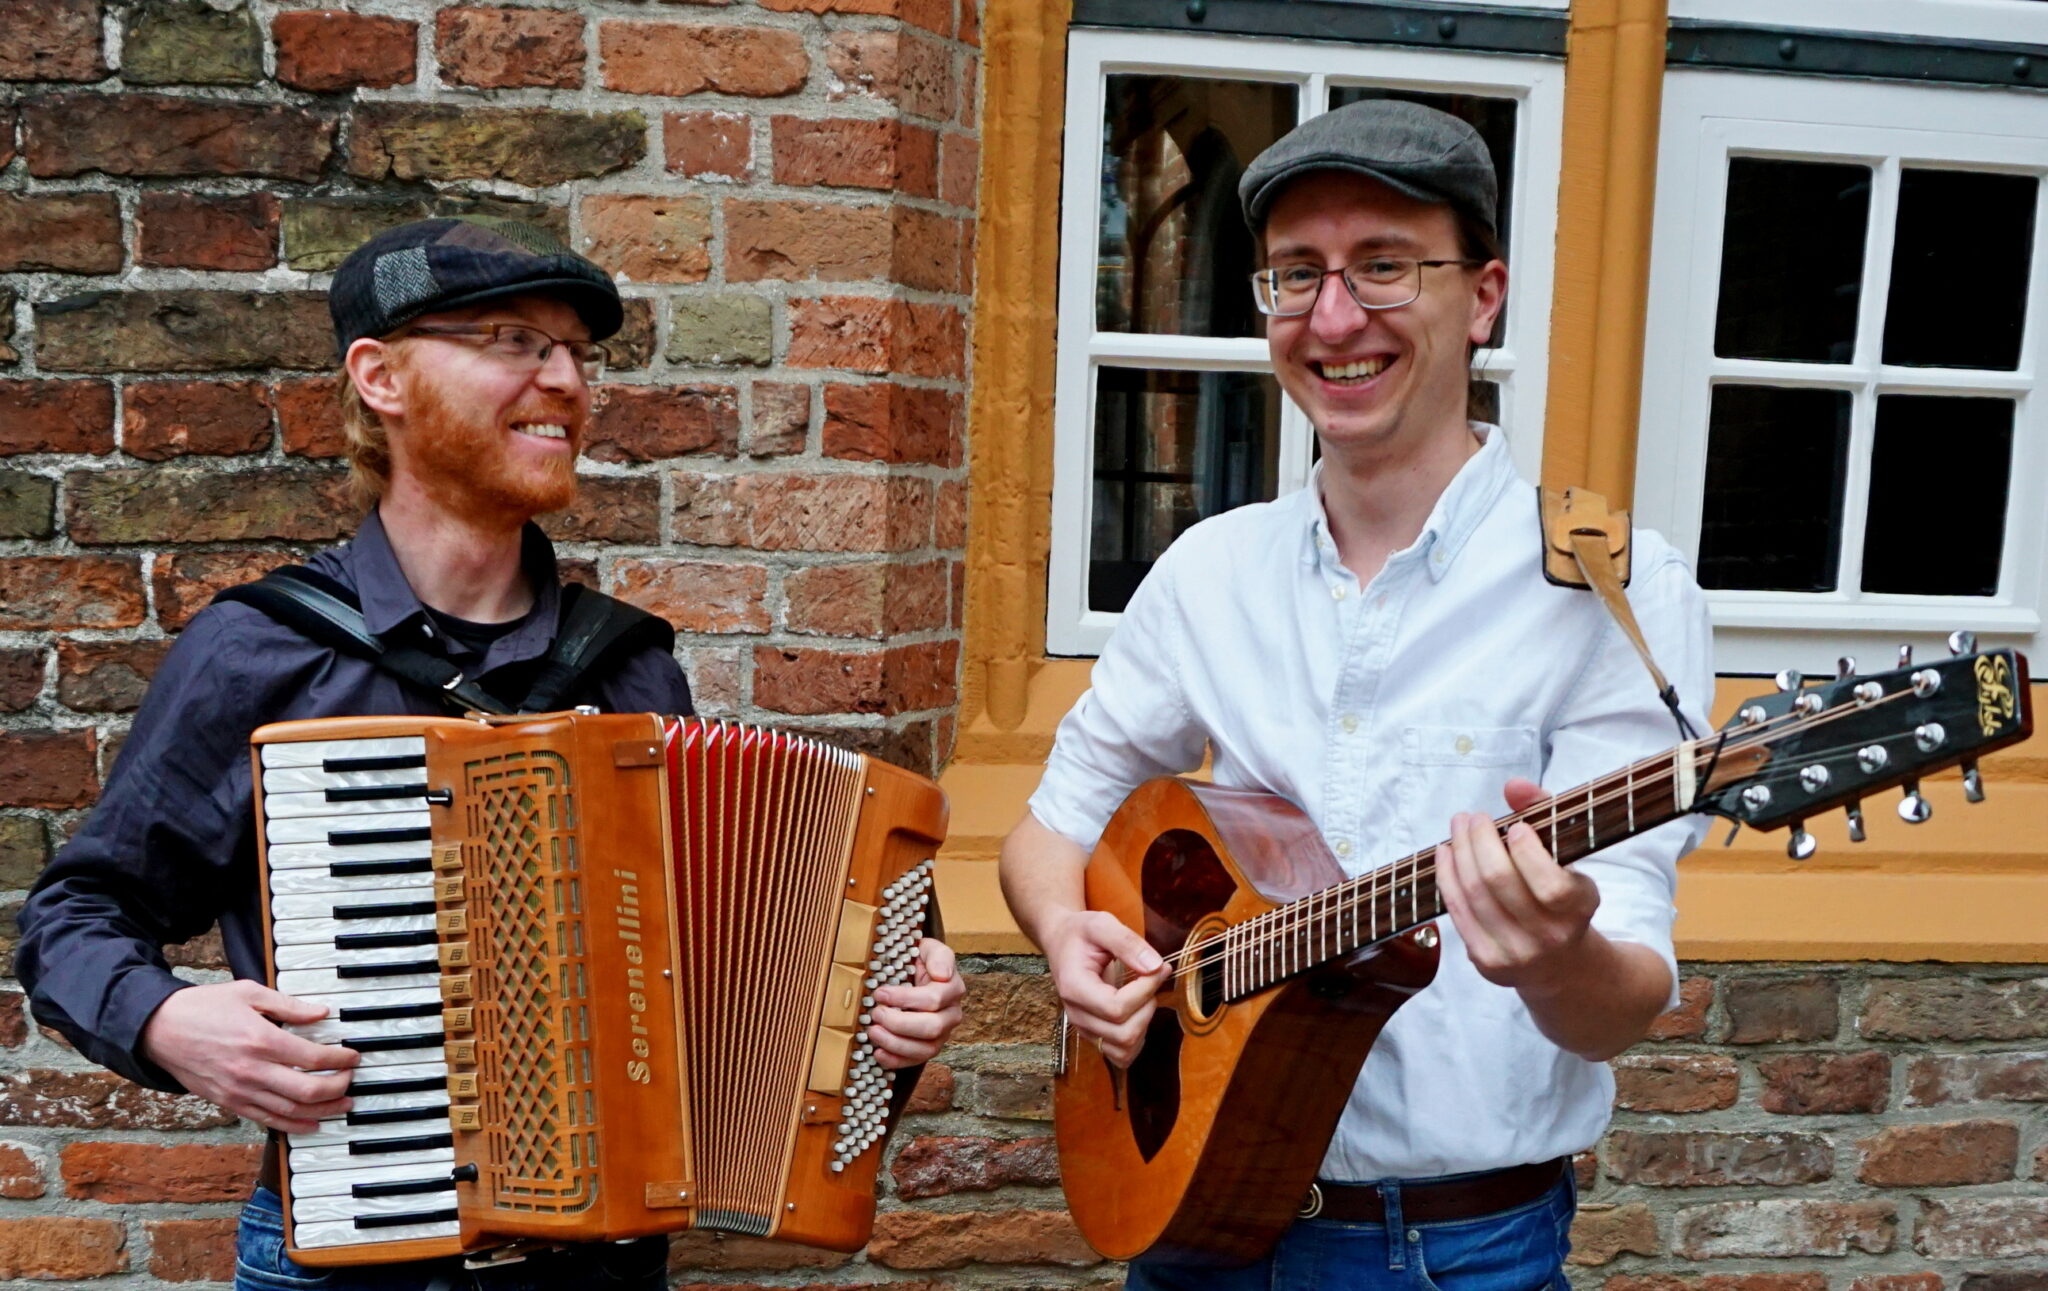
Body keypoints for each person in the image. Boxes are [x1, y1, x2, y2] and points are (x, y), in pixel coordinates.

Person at [16, 217, 966, 1291]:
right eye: (513, 339)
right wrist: (167, 1018)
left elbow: (736, 991)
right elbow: (72, 917)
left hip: (599, 1272)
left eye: (575, 351)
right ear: (379, 376)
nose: (562, 378)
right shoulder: (264, 651)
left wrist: (888, 1012)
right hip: (354, 1265)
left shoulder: (626, 670)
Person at [1000, 101, 1714, 1289]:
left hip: (1448, 1249)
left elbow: (1616, 1004)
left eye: (1383, 266)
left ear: (1481, 295)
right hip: (1189, 1216)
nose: (1334, 319)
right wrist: (1066, 932)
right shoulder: (1207, 574)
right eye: (1296, 276)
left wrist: (1551, 954)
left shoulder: (1609, 591)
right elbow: (1051, 826)